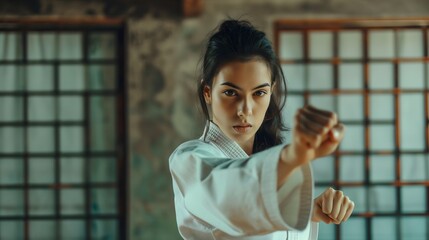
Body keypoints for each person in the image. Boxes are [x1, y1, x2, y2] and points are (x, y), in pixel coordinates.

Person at [169, 19, 355, 240]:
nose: (245, 110)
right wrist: (292, 156)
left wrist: (309, 213)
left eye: (259, 93)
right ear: (207, 92)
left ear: (271, 92)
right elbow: (232, 198)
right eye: (230, 93)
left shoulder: (274, 167)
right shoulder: (190, 160)